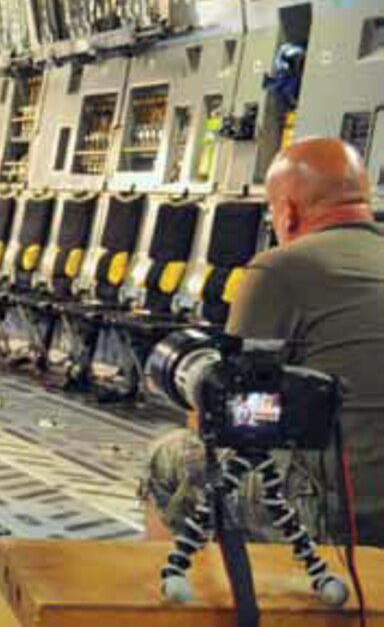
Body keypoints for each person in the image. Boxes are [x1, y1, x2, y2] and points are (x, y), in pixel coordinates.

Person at [142, 137, 384, 546]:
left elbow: (229, 415)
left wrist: (202, 397)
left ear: (286, 212)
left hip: (333, 510)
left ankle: (176, 601)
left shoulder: (281, 266)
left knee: (169, 459)